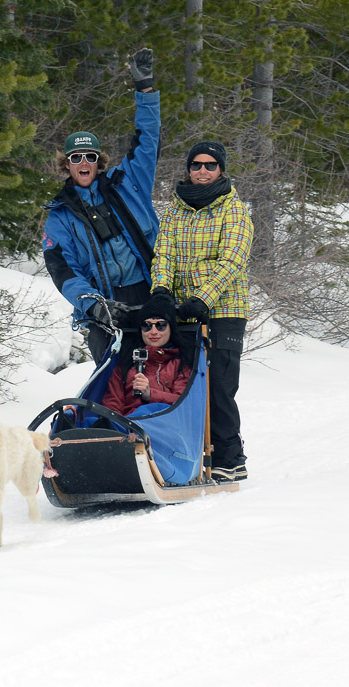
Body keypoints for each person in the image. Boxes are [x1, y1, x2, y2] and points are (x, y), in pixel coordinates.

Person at [41, 47, 160, 363]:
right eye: (75, 158)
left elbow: (147, 140)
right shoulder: (59, 216)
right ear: (66, 165)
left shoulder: (128, 184)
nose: (83, 162)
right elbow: (63, 271)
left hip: (149, 294)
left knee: (160, 380)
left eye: (90, 157)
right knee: (112, 388)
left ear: (99, 162)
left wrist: (145, 89)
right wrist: (93, 304)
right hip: (103, 307)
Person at [150, 141, 252, 483]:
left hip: (223, 309)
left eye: (210, 165)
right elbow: (162, 254)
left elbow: (232, 261)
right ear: (188, 169)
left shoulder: (233, 210)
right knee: (185, 384)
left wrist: (203, 298)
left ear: (221, 169)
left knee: (219, 387)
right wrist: (161, 290)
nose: (203, 171)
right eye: (197, 165)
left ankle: (229, 457)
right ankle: (189, 453)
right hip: (184, 311)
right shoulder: (175, 210)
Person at [101, 296, 193, 416]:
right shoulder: (125, 363)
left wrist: (150, 394)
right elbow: (112, 405)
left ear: (171, 328)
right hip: (130, 427)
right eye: (147, 326)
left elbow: (184, 403)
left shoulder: (182, 363)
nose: (153, 331)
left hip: (165, 424)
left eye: (160, 325)